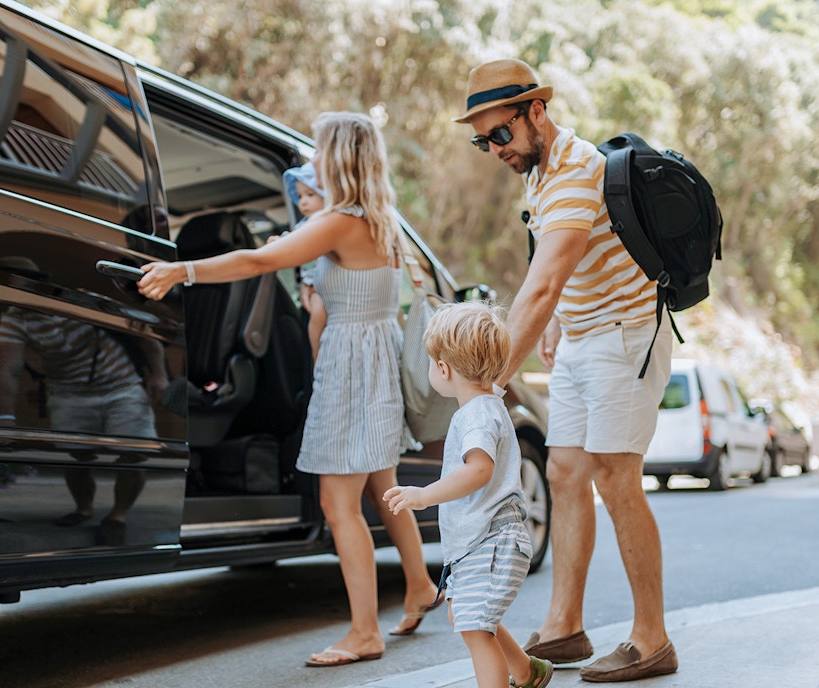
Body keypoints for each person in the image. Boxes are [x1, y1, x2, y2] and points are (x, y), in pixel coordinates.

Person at [137, 111, 441, 666]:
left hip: (351, 370)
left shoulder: (339, 221)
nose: (313, 159)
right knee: (384, 488)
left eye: (320, 149)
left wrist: (183, 271)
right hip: (374, 361)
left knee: (337, 503)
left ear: (339, 157)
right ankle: (419, 585)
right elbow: (329, 297)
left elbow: (258, 260)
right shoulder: (379, 221)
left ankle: (365, 632)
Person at [453, 58, 678, 682]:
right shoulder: (540, 172)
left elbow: (542, 283)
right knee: (564, 472)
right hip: (582, 338)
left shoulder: (576, 170)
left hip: (625, 336)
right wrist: (557, 323)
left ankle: (652, 638)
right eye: (483, 140)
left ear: (537, 112)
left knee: (615, 476)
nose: (495, 148)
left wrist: (490, 381)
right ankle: (564, 627)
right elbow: (562, 267)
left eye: (501, 133)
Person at [383, 301, 552, 688]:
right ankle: (527, 672)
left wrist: (424, 495)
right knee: (472, 618)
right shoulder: (489, 402)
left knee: (476, 627)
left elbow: (479, 469)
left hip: (492, 541)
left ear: (443, 369)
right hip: (481, 542)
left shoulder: (475, 414)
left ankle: (517, 676)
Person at [0, 256, 168, 545]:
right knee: (77, 456)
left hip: (121, 385)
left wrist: (159, 374)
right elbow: (8, 368)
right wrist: (5, 415)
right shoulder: (14, 318)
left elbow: (140, 329)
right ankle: (83, 508)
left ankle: (118, 516)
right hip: (68, 392)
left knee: (133, 453)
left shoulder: (80, 299)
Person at [282, 161, 329, 361]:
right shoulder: (303, 226)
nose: (303, 202)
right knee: (316, 314)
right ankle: (316, 355)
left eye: (310, 195)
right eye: (300, 196)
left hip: (327, 284)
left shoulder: (329, 223)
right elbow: (292, 242)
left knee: (318, 313)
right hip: (313, 285)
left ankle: (319, 355)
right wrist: (279, 242)